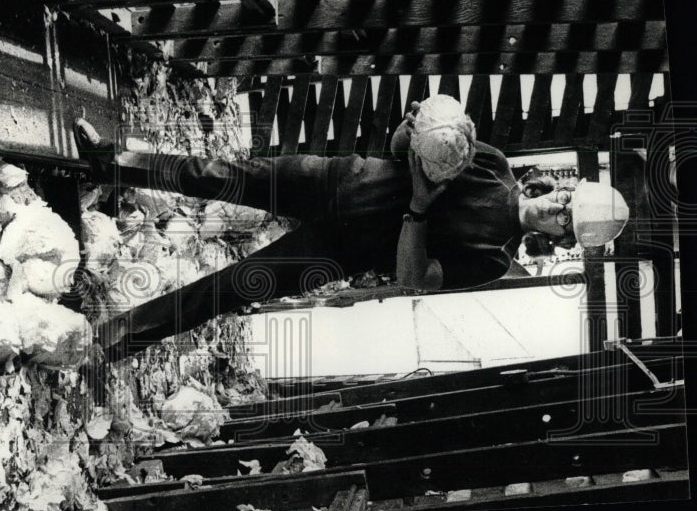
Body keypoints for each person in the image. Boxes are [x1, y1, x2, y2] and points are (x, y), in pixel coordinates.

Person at [74, 100, 630, 360]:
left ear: (559, 242)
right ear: (556, 187)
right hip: (339, 181)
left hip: (337, 251)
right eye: (565, 197)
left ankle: (116, 340)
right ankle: (108, 161)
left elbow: (414, 280)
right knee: (220, 175)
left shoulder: (491, 260)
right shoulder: (493, 164)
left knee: (227, 289)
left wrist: (418, 208)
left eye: (566, 219)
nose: (558, 208)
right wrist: (415, 129)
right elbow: (397, 147)